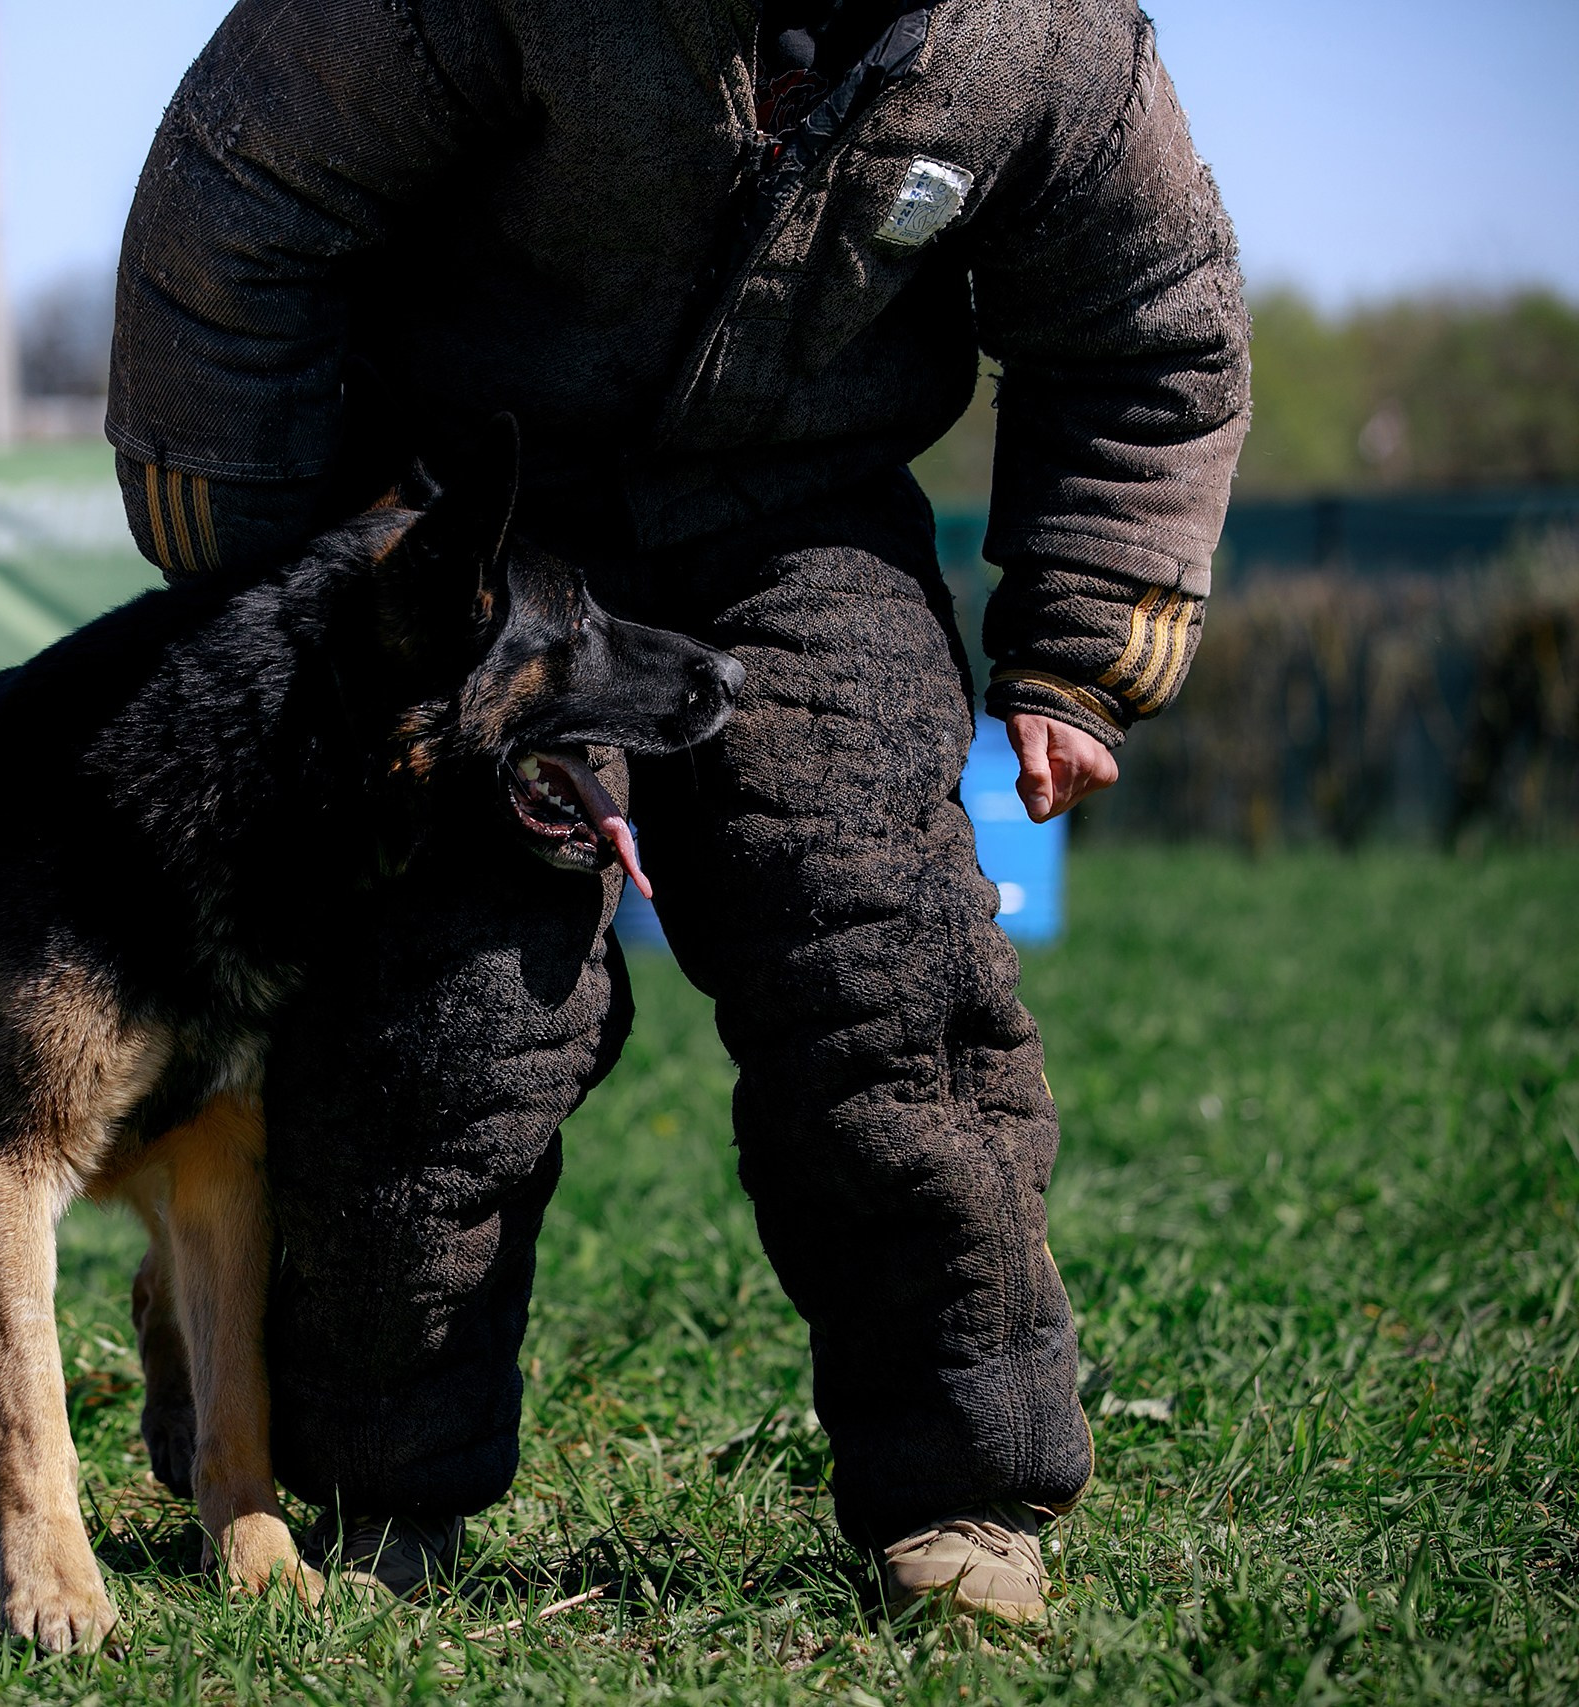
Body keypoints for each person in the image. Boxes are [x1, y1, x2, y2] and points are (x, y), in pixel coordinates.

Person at [106, 0, 1248, 1621]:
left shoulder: (1039, 35)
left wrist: (1083, 641)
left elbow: (1147, 324)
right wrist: (278, 566)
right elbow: (245, 192)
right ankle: (367, 1494)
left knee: (889, 981)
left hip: (801, 525)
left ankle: (964, 1493)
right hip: (471, 508)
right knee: (442, 1015)